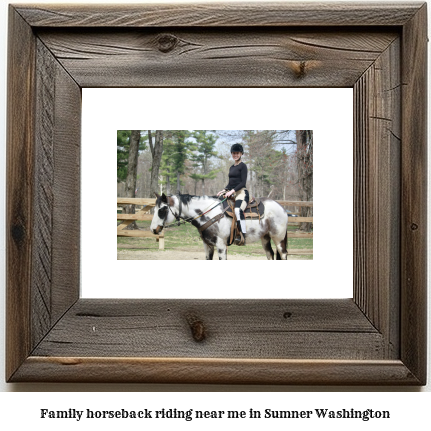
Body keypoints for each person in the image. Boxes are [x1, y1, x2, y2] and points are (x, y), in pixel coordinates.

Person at [217, 143, 249, 245]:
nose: (235, 155)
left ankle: (243, 235)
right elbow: (231, 183)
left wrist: (232, 191)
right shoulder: (231, 167)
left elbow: (242, 183)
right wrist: (224, 190)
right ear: (232, 154)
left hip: (241, 193)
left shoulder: (243, 166)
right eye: (234, 153)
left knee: (237, 210)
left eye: (237, 153)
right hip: (233, 192)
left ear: (241, 154)